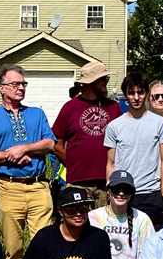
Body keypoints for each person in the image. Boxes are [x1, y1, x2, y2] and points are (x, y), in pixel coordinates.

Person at [0, 65, 56, 259]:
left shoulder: (36, 114)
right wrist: (10, 155)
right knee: (14, 244)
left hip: (38, 185)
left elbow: (50, 143)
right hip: (9, 186)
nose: (21, 88)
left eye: (23, 84)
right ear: (2, 88)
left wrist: (25, 148)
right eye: (16, 84)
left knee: (43, 240)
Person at [104, 72, 163, 228]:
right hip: (123, 192)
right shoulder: (114, 126)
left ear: (147, 94)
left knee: (153, 243)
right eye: (131, 93)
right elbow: (110, 163)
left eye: (140, 92)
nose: (136, 97)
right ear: (125, 95)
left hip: (151, 194)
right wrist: (110, 192)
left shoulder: (159, 123)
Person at [51, 61, 122, 208]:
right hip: (77, 182)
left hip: (107, 181)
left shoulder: (114, 107)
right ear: (91, 82)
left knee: (105, 227)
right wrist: (71, 163)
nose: (106, 83)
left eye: (106, 79)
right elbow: (56, 143)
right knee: (78, 226)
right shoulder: (70, 108)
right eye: (103, 79)